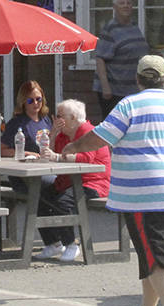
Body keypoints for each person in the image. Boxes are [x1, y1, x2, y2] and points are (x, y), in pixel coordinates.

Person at [63, 55, 164, 306]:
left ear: (138, 78)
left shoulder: (130, 105)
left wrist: (74, 147)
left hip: (144, 193)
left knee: (154, 257)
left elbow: (102, 137)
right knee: (155, 253)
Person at [37, 98, 111, 262]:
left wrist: (57, 157)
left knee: (62, 202)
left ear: (73, 118)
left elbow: (84, 158)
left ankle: (72, 244)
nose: (57, 119)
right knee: (39, 198)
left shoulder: (87, 131)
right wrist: (54, 133)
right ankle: (53, 243)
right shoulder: (64, 134)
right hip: (68, 181)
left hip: (93, 183)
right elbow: (52, 152)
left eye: (61, 116)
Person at [94, 0, 152, 117]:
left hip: (132, 89)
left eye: (128, 3)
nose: (126, 6)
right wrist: (105, 86)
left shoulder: (134, 26)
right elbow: (100, 59)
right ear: (114, 7)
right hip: (114, 92)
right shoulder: (110, 29)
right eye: (122, 3)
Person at [0, 79, 52, 159]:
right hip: (25, 166)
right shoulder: (16, 123)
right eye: (30, 100)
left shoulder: (45, 119)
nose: (35, 103)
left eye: (38, 99)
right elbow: (1, 150)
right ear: (23, 101)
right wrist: (25, 153)